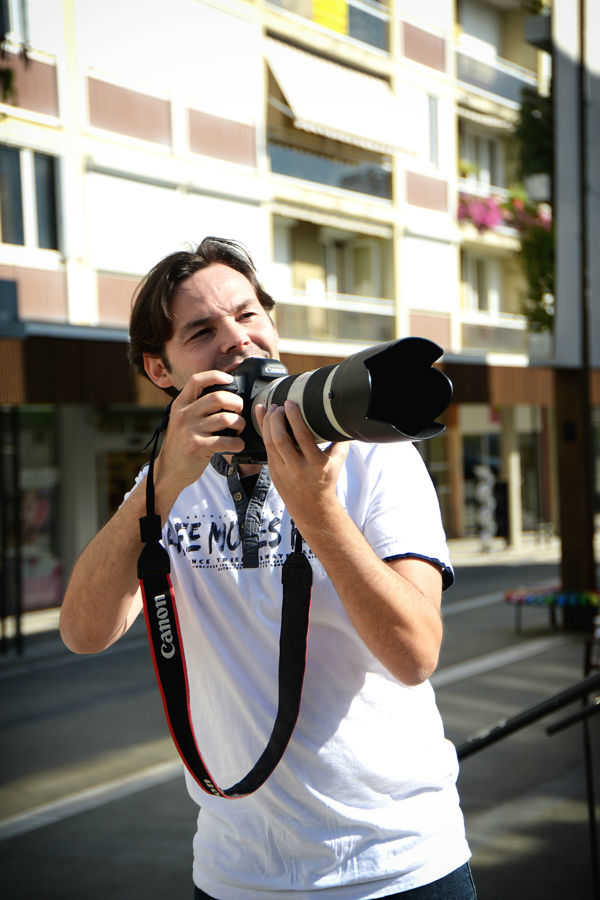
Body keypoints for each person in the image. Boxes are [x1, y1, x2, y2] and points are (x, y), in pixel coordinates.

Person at [60, 237, 475, 900]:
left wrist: (318, 511)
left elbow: (414, 653)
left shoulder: (371, 453)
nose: (237, 339)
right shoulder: (165, 484)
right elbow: (83, 631)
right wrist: (160, 485)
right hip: (236, 875)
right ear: (160, 369)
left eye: (248, 314)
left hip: (398, 866)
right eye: (201, 331)